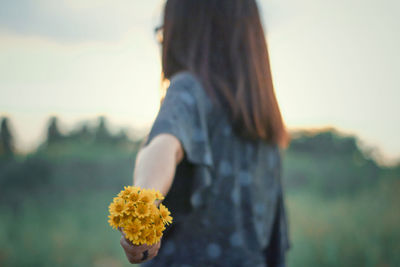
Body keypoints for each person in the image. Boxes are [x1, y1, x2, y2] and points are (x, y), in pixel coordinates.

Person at [119, 0, 291, 266]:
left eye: (165, 28)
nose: (163, 38)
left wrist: (142, 204)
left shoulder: (189, 90)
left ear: (187, 32)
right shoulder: (263, 122)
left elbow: (162, 144)